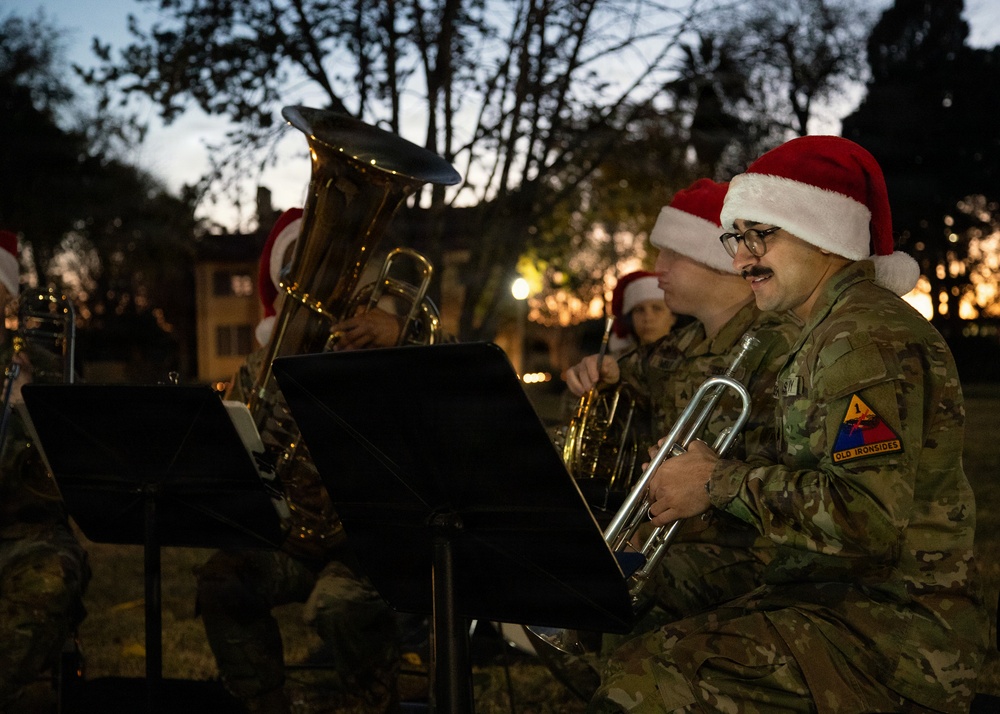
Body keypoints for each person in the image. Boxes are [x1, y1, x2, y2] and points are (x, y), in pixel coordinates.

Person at [592, 135, 989, 713]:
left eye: (761, 235)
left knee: (645, 681)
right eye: (736, 237)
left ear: (825, 233)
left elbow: (866, 519)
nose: (741, 259)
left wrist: (714, 481)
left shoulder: (861, 339)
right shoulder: (824, 329)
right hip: (830, 597)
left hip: (894, 633)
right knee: (637, 642)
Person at [548, 179, 799, 699]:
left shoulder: (779, 349)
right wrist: (605, 371)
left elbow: (782, 475)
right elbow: (633, 370)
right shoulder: (684, 341)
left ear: (716, 260)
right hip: (686, 537)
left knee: (618, 590)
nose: (657, 269)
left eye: (672, 254)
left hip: (746, 552)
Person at [196, 209, 418, 714]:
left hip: (368, 542)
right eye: (296, 263)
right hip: (296, 540)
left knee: (338, 607)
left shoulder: (379, 338)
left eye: (321, 259)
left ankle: (372, 700)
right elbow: (240, 454)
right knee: (222, 578)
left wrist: (401, 336)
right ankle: (264, 701)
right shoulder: (259, 365)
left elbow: (445, 393)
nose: (311, 273)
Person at [0, 229, 91, 712]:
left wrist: (29, 409)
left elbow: (72, 473)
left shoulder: (41, 366)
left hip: (29, 536)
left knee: (49, 581)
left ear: (7, 294)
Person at [606, 270, 677, 357]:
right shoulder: (615, 365)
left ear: (673, 317)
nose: (647, 318)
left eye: (657, 309)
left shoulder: (692, 359)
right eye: (639, 310)